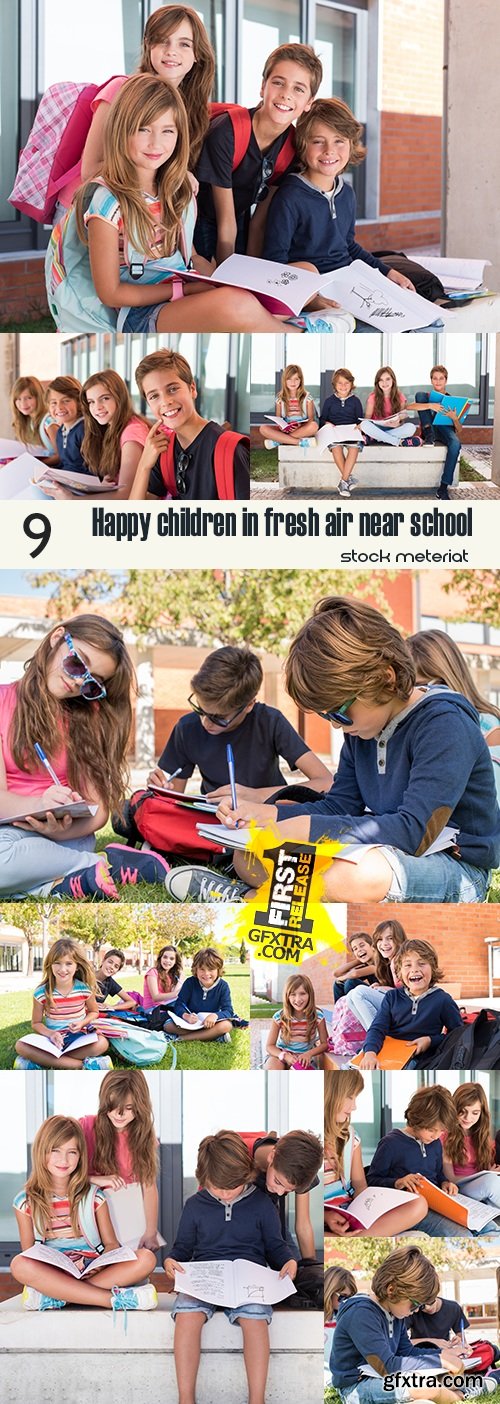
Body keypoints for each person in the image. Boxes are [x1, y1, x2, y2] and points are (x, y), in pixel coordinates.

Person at [213, 597, 500, 906]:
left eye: (339, 712)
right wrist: (270, 815)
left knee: (357, 876)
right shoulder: (363, 728)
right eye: (327, 716)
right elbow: (338, 806)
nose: (336, 726)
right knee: (249, 857)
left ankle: (254, 899)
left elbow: (414, 832)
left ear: (386, 680)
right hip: (385, 850)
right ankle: (272, 896)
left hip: (455, 867)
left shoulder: (445, 724)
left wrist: (303, 829)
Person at [47, 75, 291, 335]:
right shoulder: (107, 203)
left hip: (181, 295)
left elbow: (192, 257)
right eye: (143, 129)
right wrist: (183, 289)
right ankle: (299, 333)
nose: (156, 143)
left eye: (167, 131)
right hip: (140, 313)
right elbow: (111, 294)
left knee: (288, 279)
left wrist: (221, 280)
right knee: (237, 306)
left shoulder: (176, 192)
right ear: (121, 130)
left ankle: (284, 322)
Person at [0, 613, 170, 899]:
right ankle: (96, 869)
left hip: (68, 838)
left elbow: (99, 811)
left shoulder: (86, 718)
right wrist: (39, 803)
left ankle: (63, 873)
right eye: (77, 662)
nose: (78, 681)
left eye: (93, 682)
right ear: (57, 638)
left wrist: (57, 832)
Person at [163, 1130, 297, 1404]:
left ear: (247, 1175)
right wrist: (170, 1262)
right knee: (186, 1317)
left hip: (249, 1279)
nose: (224, 1192)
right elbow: (182, 1249)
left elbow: (276, 1245)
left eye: (232, 1186)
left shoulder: (261, 1203)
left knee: (256, 1319)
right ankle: (185, 1398)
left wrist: (289, 1261)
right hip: (206, 1278)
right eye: (217, 1186)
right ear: (204, 1179)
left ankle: (256, 1399)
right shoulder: (194, 1206)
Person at [262, 98, 415, 296]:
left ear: (351, 144)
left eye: (339, 141)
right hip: (310, 287)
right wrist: (312, 299)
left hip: (347, 282)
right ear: (302, 144)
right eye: (318, 141)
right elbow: (275, 262)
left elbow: (348, 246)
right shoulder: (290, 197)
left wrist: (388, 272)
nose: (329, 151)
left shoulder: (347, 193)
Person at [72, 5, 215, 210]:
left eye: (184, 44)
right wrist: (173, 171)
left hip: (137, 213)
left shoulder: (190, 107)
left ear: (197, 54)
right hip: (90, 209)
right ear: (149, 46)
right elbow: (91, 170)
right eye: (163, 40)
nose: (171, 51)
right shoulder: (120, 90)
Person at [11, 1115, 157, 1311]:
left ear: (80, 1156)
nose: (64, 1159)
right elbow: (30, 1253)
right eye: (55, 1151)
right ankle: (112, 1300)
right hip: (55, 1273)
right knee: (19, 1264)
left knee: (146, 1258)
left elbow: (111, 1244)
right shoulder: (25, 1202)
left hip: (93, 1270)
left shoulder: (94, 1196)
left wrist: (99, 1264)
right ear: (41, 1152)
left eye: (72, 1152)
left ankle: (60, 1296)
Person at [148, 644, 332, 800]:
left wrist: (258, 796)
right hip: (215, 822)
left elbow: (325, 782)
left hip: (269, 819)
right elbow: (172, 798)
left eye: (219, 718)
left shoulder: (269, 722)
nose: (205, 722)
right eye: (200, 710)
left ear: (249, 705)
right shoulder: (187, 729)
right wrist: (161, 790)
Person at [194, 43, 322, 265]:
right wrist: (231, 280)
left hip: (240, 218)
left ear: (309, 102)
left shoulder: (291, 148)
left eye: (298, 89)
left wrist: (254, 272)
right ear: (263, 87)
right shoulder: (228, 132)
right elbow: (225, 222)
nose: (285, 95)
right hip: (200, 218)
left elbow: (258, 222)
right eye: (278, 83)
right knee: (215, 284)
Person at [330, 1244, 465, 1404]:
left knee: (444, 1376)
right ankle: (459, 1397)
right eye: (415, 1304)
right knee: (428, 1388)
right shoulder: (361, 1313)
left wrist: (442, 1354)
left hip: (385, 1378)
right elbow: (387, 1366)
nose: (416, 1311)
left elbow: (406, 1351)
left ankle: (451, 1392)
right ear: (391, 1290)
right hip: (356, 1387)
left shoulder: (395, 1313)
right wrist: (440, 1360)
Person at [367, 1085, 499, 1237]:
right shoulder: (390, 1143)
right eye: (431, 1130)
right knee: (464, 1236)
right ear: (416, 1119)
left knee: (492, 1229)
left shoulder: (435, 1143)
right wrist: (398, 1182)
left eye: (441, 1131)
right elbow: (371, 1181)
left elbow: (438, 1174)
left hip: (443, 1203)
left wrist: (445, 1183)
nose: (436, 1136)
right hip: (414, 1208)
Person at [129, 350, 249, 500]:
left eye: (172, 389)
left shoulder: (231, 450)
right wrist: (144, 466)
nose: (165, 401)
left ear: (192, 388)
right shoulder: (164, 451)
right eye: (154, 396)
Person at [324, 1070, 427, 1237]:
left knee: (419, 1204)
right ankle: (354, 1238)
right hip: (326, 1222)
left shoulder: (351, 1137)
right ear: (330, 1094)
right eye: (350, 1096)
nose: (354, 1106)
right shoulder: (311, 1141)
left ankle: (355, 1236)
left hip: (351, 1214)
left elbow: (360, 1186)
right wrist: (325, 1216)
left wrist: (361, 1216)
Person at [407, 628, 500, 797]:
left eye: (426, 685)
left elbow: (493, 800)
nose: (418, 694)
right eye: (410, 687)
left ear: (448, 678)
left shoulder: (487, 726)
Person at [80, 1070, 161, 1252]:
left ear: (140, 1106)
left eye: (130, 1107)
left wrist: (150, 1231)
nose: (120, 1114)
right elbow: (64, 1177)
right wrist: (97, 1179)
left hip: (128, 1223)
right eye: (113, 1105)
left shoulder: (144, 1135)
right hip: (90, 1221)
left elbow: (149, 1186)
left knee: (141, 1263)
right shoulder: (85, 1127)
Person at [40, 371, 150, 501]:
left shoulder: (132, 432)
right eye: (91, 402)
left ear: (120, 397)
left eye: (105, 398)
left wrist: (72, 501)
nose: (97, 407)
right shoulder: (112, 428)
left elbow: (126, 495)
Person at [358, 939, 463, 1069]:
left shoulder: (443, 1000)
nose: (414, 970)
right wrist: (370, 1053)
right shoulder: (392, 997)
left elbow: (458, 1035)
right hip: (387, 1053)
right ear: (399, 971)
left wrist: (430, 1041)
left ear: (433, 968)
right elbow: (377, 1028)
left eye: (422, 963)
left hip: (420, 1059)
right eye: (408, 965)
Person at [14, 938, 112, 1070]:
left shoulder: (84, 989)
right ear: (50, 964)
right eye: (57, 963)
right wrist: (51, 1034)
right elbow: (36, 1023)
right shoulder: (41, 993)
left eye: (68, 964)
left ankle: (41, 1061)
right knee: (20, 1045)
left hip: (78, 1039)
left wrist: (82, 1023)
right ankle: (83, 1065)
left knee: (102, 1043)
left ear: (77, 966)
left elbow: (94, 1012)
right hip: (51, 1040)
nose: (62, 969)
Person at [251, 1129, 323, 1270]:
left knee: (296, 1274)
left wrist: (312, 1269)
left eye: (288, 1190)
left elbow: (303, 1224)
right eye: (278, 1182)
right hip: (242, 1226)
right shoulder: (240, 1159)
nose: (279, 1193)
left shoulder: (303, 1171)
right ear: (272, 1157)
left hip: (275, 1226)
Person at [441, 1083, 500, 1217]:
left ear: (482, 1113)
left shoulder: (483, 1137)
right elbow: (451, 1178)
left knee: (492, 1181)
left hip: (482, 1187)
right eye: (462, 1111)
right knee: (490, 1182)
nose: (468, 1118)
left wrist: (489, 1172)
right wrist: (486, 1175)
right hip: (458, 1187)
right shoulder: (445, 1137)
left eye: (475, 1113)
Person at [410, 364, 464, 501]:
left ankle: (443, 488)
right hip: (430, 429)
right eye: (435, 378)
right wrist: (430, 405)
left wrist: (454, 418)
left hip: (445, 430)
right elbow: (408, 406)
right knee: (420, 395)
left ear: (446, 380)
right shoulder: (426, 397)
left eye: (441, 378)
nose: (438, 381)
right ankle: (429, 435)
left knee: (455, 443)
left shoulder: (452, 400)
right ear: (431, 380)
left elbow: (459, 429)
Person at [162, 947, 235, 1043]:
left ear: (218, 969)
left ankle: (181, 1038)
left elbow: (228, 1010)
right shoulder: (190, 983)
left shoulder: (223, 986)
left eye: (211, 969)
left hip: (210, 1023)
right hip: (190, 1023)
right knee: (168, 1026)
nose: (206, 973)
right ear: (196, 969)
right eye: (202, 969)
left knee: (227, 1025)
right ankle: (213, 1036)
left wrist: (215, 1016)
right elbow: (179, 1004)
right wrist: (186, 1016)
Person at [345, 919, 406, 1027]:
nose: (384, 944)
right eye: (380, 940)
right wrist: (381, 986)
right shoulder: (390, 961)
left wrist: (388, 989)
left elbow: (412, 991)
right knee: (350, 997)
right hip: (397, 1001)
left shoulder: (403, 960)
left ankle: (376, 1036)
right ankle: (372, 1034)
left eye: (390, 938)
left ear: (399, 939)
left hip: (406, 1007)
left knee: (359, 992)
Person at [265, 973, 329, 1069]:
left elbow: (325, 1044)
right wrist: (284, 1056)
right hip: (281, 1055)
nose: (298, 999)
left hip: (303, 1058)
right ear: (287, 996)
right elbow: (269, 1046)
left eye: (302, 993)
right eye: (293, 994)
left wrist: (309, 1054)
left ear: (309, 994)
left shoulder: (318, 1016)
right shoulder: (279, 1017)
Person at [319, 370, 364, 497]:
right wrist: (327, 423)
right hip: (335, 433)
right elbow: (322, 419)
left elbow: (359, 419)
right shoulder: (329, 401)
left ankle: (343, 481)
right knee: (336, 449)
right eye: (340, 383)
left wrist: (359, 426)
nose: (343, 386)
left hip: (351, 433)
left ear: (351, 384)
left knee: (354, 448)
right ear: (335, 384)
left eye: (346, 383)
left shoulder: (355, 401)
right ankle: (347, 479)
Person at [258, 364, 318, 449]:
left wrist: (300, 425)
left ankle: (279, 440)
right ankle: (299, 442)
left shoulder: (307, 398)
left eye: (296, 379)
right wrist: (283, 427)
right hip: (285, 429)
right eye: (289, 379)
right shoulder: (280, 399)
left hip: (301, 429)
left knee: (314, 426)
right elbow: (279, 419)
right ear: (284, 381)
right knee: (263, 428)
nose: (293, 382)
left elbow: (311, 419)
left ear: (301, 380)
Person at [363, 367, 420, 446]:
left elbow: (401, 419)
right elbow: (367, 419)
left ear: (393, 380)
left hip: (393, 429)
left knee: (411, 428)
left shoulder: (400, 396)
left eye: (387, 379)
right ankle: (397, 441)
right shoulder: (373, 397)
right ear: (377, 382)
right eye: (381, 380)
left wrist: (398, 424)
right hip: (377, 428)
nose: (384, 383)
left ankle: (376, 438)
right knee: (364, 425)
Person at [10, 375, 59, 465]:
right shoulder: (28, 421)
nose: (23, 403)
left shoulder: (49, 423)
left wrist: (35, 464)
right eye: (18, 399)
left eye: (28, 398)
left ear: (38, 397)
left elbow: (60, 456)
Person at [46, 377, 87, 475]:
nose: (59, 407)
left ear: (78, 402)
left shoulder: (84, 430)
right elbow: (65, 464)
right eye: (54, 403)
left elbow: (94, 470)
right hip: (67, 480)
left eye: (66, 401)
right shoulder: (61, 431)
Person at [332, 931, 376, 1003]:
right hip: (374, 993)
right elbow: (336, 973)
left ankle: (351, 1012)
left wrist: (343, 978)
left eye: (362, 945)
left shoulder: (380, 962)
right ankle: (340, 1012)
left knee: (350, 982)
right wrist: (358, 960)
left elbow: (355, 974)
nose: (359, 949)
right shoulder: (366, 965)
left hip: (384, 996)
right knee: (338, 984)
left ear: (372, 946)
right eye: (355, 949)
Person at [142, 945, 183, 1011]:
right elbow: (155, 997)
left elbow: (176, 993)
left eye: (171, 959)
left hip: (166, 1006)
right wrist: (175, 994)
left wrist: (180, 977)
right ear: (160, 958)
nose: (167, 961)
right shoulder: (152, 972)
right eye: (165, 957)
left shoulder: (172, 975)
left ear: (175, 962)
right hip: (152, 1009)